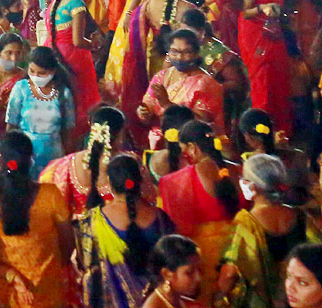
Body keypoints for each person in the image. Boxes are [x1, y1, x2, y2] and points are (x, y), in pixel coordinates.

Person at [0, 130, 75, 308]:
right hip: (49, 292)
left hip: (7, 295)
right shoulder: (51, 195)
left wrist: (10, 275)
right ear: (31, 160)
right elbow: (68, 245)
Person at [215, 154, 322, 308]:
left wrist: (218, 298)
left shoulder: (246, 222)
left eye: (244, 178)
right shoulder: (300, 216)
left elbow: (230, 272)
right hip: (299, 299)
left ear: (254, 186)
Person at [157, 120, 241, 303]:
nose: (184, 154)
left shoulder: (182, 179)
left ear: (193, 148)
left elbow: (180, 227)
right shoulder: (235, 170)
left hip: (204, 258)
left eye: (184, 149)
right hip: (237, 251)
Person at [76, 154, 174, 308]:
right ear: (139, 182)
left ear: (109, 182)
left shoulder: (93, 221)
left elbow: (86, 264)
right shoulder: (161, 219)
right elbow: (172, 263)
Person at [239, 0, 293, 135]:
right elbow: (245, 11)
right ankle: (261, 130)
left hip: (274, 33)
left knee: (278, 77)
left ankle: (280, 128)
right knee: (262, 79)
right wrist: (263, 7)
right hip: (256, 36)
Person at [40, 104, 126, 220]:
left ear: (92, 129)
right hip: (113, 234)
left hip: (73, 235)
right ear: (120, 136)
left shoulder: (62, 167)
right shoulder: (129, 165)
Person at [43, 0, 102, 136]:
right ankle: (79, 133)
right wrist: (94, 45)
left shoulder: (54, 2)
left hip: (52, 50)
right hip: (72, 55)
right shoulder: (76, 5)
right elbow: (78, 41)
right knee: (80, 96)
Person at [4, 45, 76, 179]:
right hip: (25, 155)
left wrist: (67, 162)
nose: (35, 76)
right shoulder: (21, 89)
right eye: (32, 71)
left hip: (54, 156)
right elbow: (11, 125)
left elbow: (68, 132)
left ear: (53, 71)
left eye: (41, 73)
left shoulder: (63, 94)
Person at [140, 234, 202, 308]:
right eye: (189, 272)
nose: (198, 278)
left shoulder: (181, 301)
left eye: (199, 269)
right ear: (167, 274)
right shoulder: (153, 306)